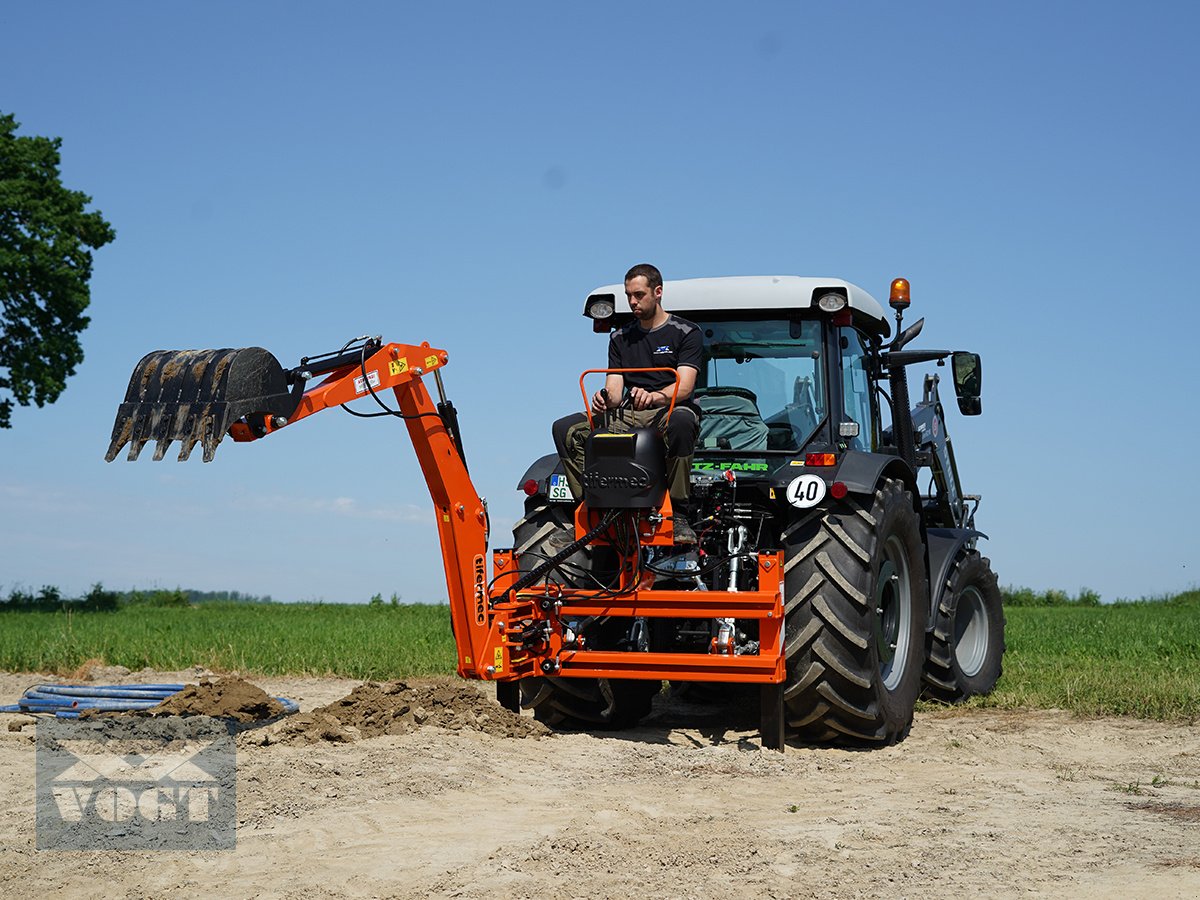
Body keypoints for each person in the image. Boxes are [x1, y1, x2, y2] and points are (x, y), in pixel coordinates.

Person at [552, 263, 702, 544]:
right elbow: (615, 390)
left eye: (639, 294)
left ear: (658, 292)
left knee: (683, 421)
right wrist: (604, 398)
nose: (633, 301)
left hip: (665, 411)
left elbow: (685, 386)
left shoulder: (685, 332)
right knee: (566, 429)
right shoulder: (620, 337)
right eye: (628, 295)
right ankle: (587, 510)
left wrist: (655, 396)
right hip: (628, 413)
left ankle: (679, 513)